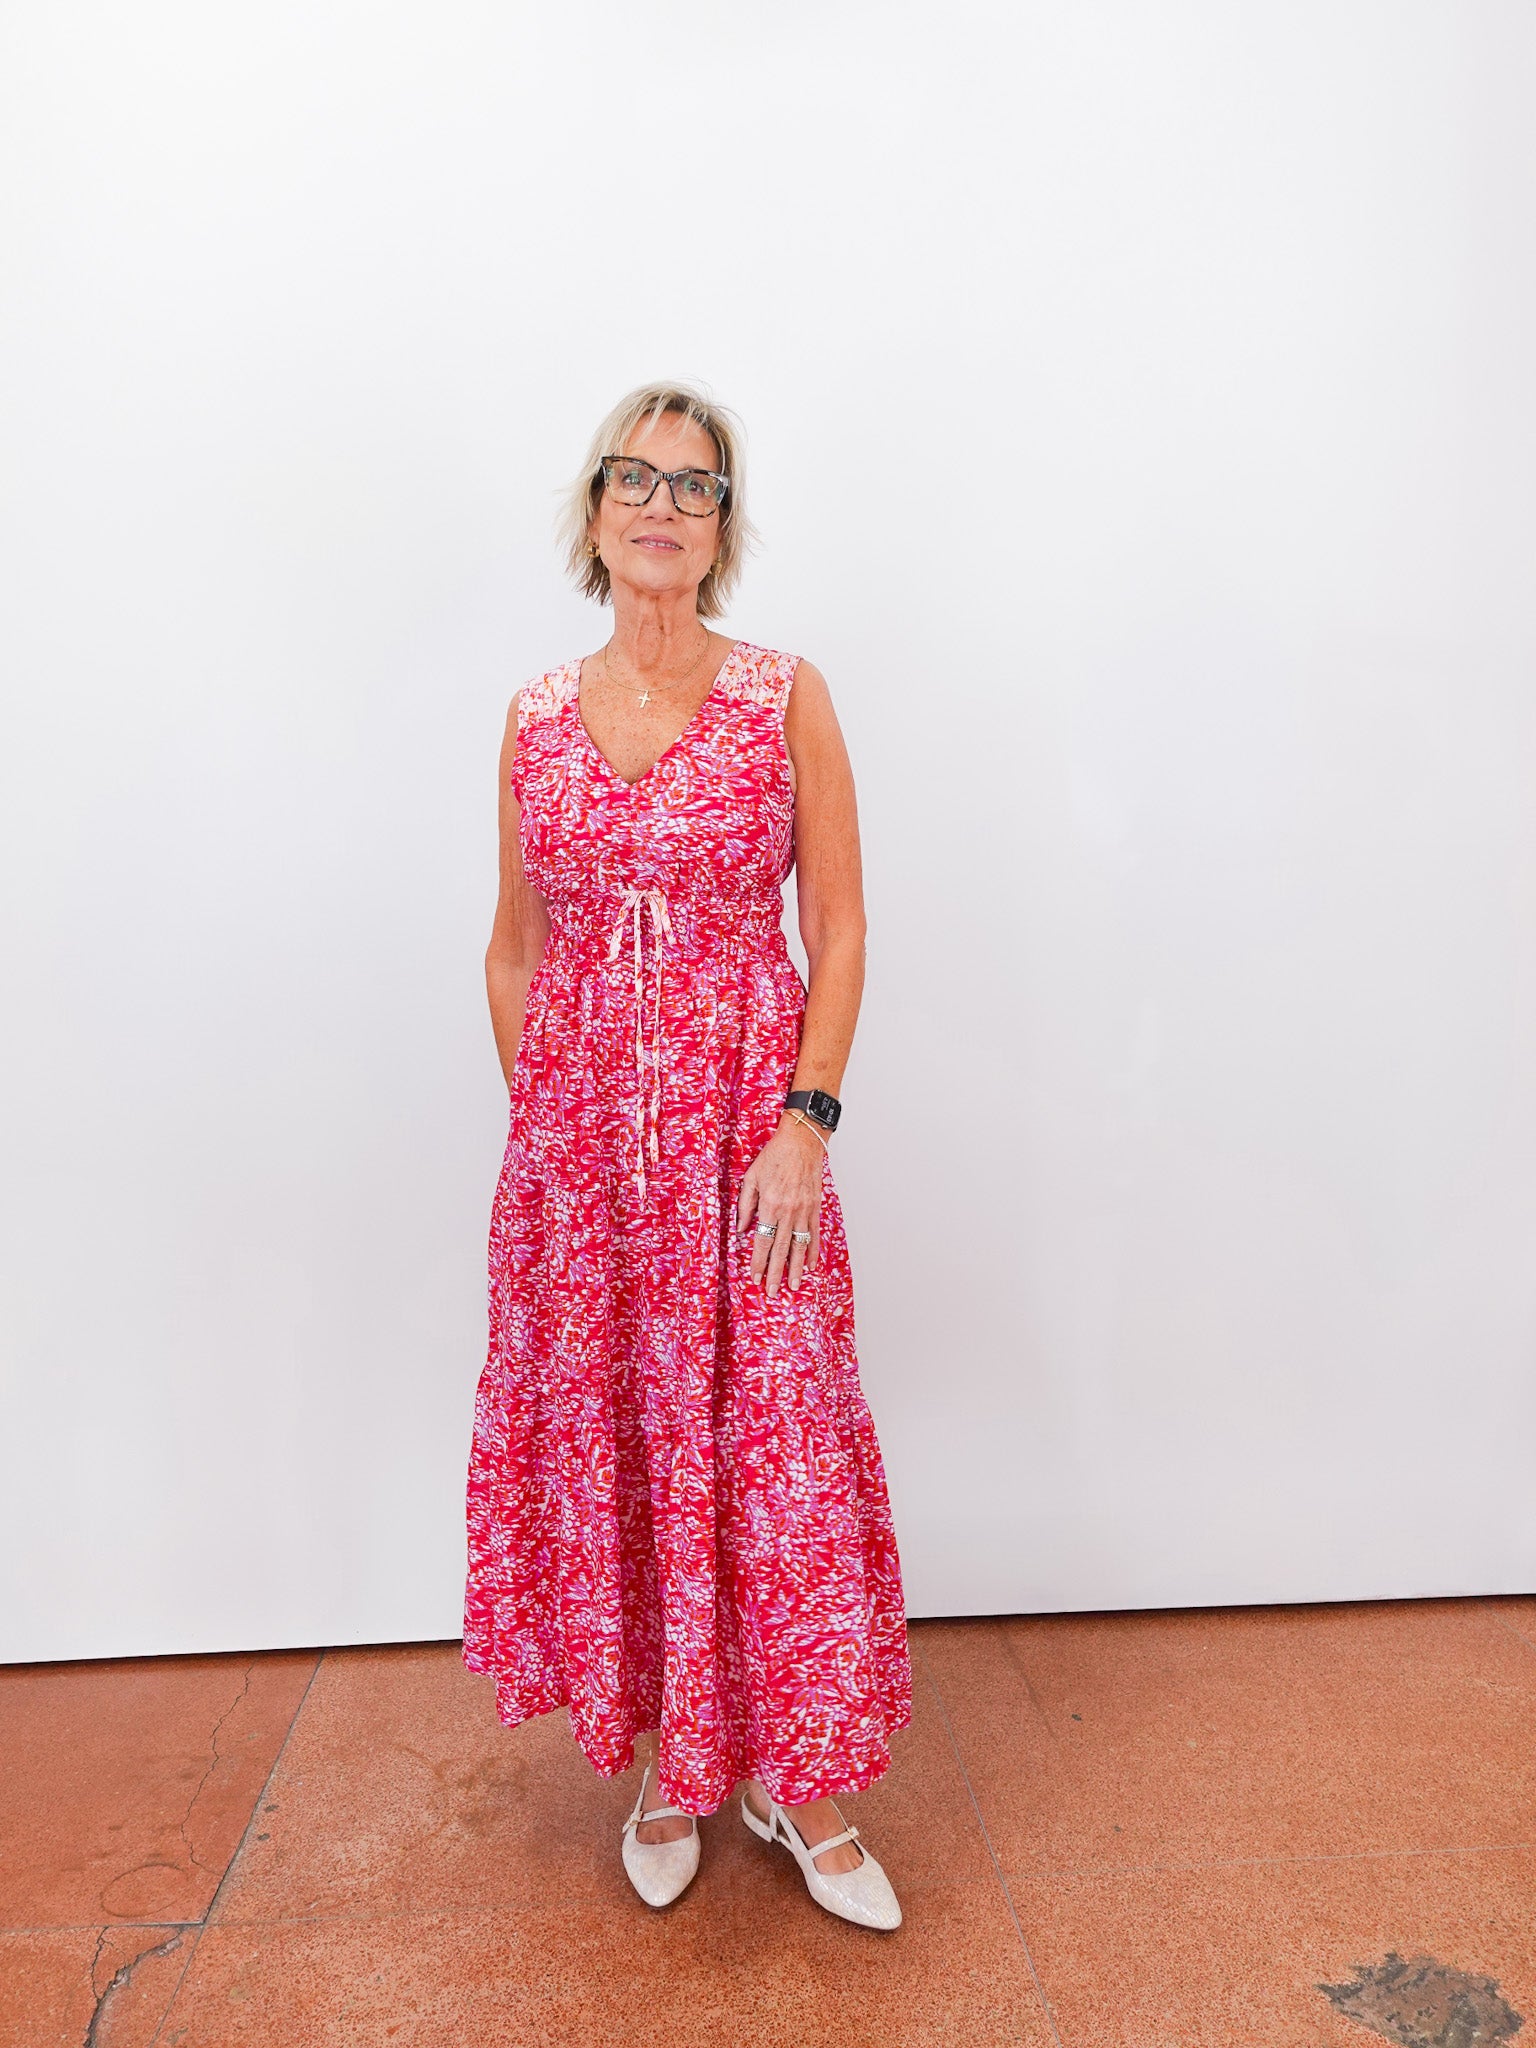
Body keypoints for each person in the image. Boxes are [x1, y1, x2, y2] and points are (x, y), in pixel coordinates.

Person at [462, 382, 911, 1930]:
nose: (662, 505)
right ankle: (673, 1759)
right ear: (593, 514)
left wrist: (808, 1120)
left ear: (725, 526)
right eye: (634, 480)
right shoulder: (531, 716)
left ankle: (803, 1777)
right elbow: (515, 952)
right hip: (586, 1178)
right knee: (632, 1450)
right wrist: (553, 1130)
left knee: (774, 1446)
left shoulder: (786, 692)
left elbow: (840, 926)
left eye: (696, 486)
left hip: (747, 1142)